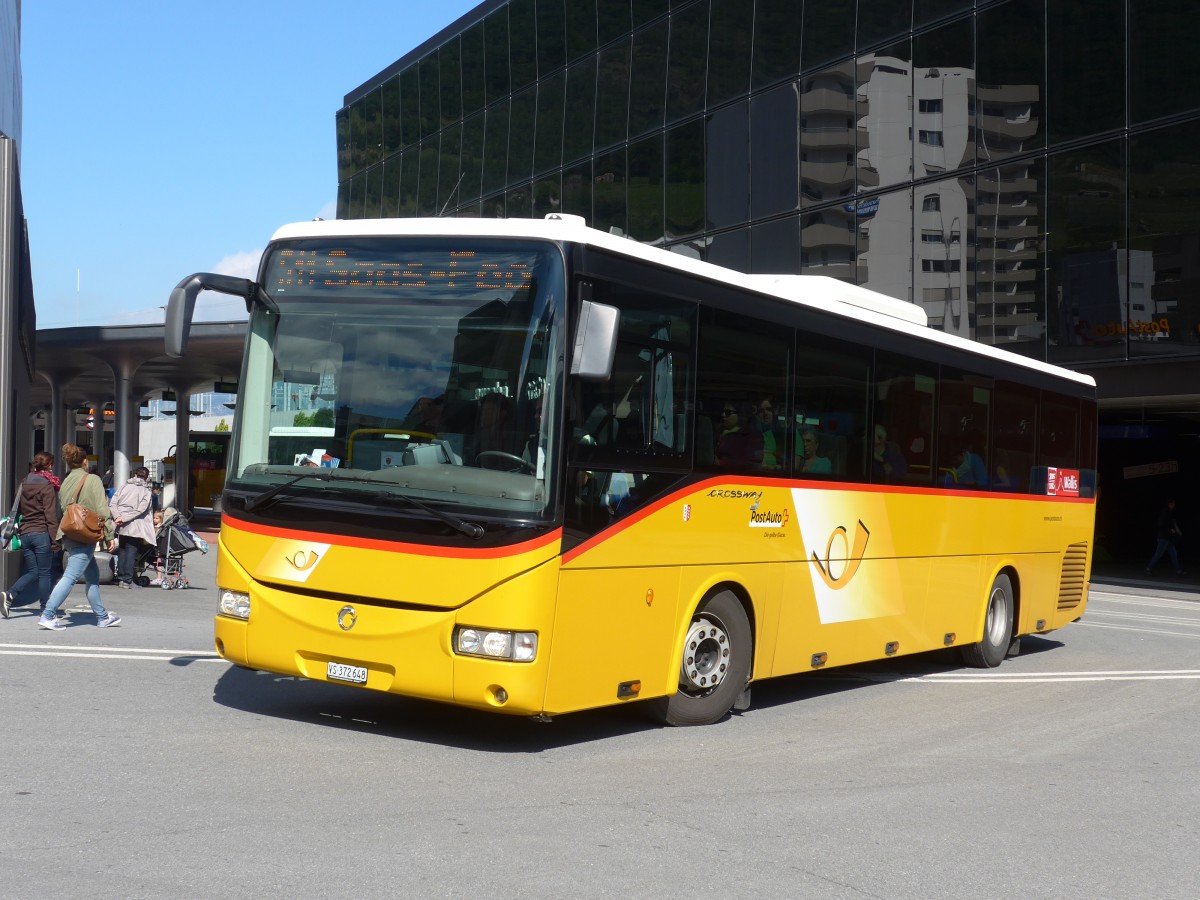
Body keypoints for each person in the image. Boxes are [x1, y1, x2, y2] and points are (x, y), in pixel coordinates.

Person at [38, 443, 121, 630]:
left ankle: (102, 616)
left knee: (93, 576)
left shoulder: (66, 481)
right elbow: (102, 509)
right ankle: (48, 614)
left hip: (70, 532)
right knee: (70, 576)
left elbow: (63, 508)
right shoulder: (92, 479)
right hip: (86, 534)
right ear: (85, 461)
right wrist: (110, 535)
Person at [1, 452, 61, 619]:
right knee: (44, 573)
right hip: (41, 533)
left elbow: (18, 509)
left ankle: (10, 594)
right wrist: (56, 540)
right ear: (49, 465)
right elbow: (50, 515)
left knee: (33, 571)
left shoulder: (24, 483)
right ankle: (45, 610)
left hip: (25, 533)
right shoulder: (47, 485)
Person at [109, 465, 155, 589]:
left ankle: (121, 577)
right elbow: (141, 510)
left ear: (134, 475)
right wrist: (124, 518)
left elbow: (113, 503)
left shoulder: (123, 487)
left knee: (122, 549)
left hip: (120, 525)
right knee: (131, 551)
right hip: (134, 526)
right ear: (146, 477)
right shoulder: (146, 492)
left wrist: (118, 517)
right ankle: (127, 580)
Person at [715, 402, 763, 469]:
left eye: (728, 412)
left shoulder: (749, 436)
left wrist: (720, 462)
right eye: (723, 412)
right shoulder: (717, 430)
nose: (723, 415)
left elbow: (749, 462)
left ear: (739, 415)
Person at [1145, 498, 1184, 576]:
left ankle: (1178, 571)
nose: (1174, 506)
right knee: (1158, 554)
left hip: (1168, 538)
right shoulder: (1165, 512)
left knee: (1174, 554)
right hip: (1163, 538)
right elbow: (1161, 524)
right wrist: (1171, 529)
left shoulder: (1169, 512)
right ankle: (1149, 568)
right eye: (1173, 504)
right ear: (1170, 504)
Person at [754, 398, 783, 470]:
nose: (765, 413)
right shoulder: (752, 436)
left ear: (774, 412)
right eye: (761, 411)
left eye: (768, 409)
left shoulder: (781, 436)